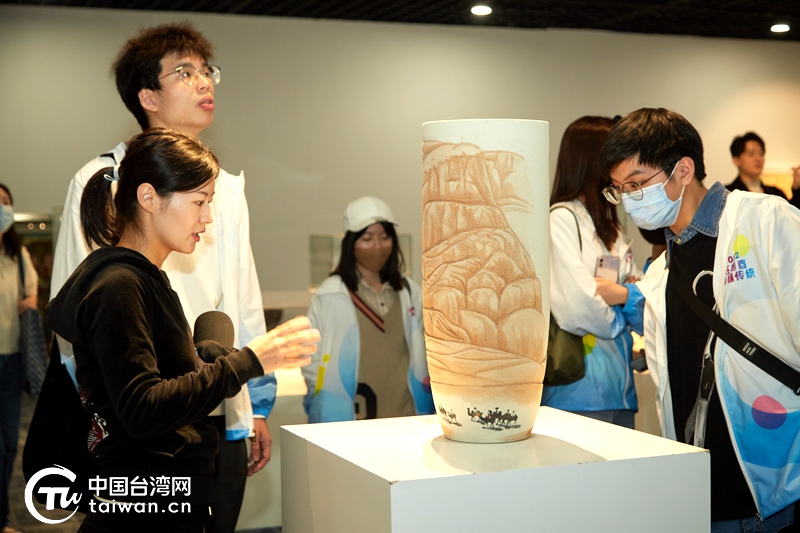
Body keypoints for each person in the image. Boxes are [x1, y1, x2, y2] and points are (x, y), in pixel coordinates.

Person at [49, 23, 272, 532]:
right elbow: (78, 318)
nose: (204, 82)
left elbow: (242, 295)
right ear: (147, 96)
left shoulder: (225, 187)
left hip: (218, 402)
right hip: (140, 422)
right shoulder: (102, 181)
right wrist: (103, 421)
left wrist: (255, 404)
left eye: (207, 71)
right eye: (185, 72)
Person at [47, 128, 318, 532]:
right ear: (148, 198)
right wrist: (249, 361)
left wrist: (202, 360)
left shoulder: (147, 279)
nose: (208, 218)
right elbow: (142, 409)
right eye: (199, 202)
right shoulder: (119, 286)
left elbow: (158, 390)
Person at [600, 107, 800, 532]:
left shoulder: (764, 221)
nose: (629, 201)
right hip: (702, 492)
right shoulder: (660, 273)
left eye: (637, 184)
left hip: (780, 484)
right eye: (619, 190)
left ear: (684, 170)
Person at [542, 116, 644, 429]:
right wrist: (623, 309)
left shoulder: (611, 227)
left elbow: (642, 296)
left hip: (621, 389)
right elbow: (578, 306)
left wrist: (621, 295)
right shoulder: (561, 219)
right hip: (577, 391)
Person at [302, 196, 434, 422]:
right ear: (350, 243)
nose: (378, 247)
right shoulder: (331, 295)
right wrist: (323, 396)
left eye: (385, 237)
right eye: (367, 238)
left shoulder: (409, 292)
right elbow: (311, 356)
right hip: (350, 418)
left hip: (406, 415)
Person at [0, 184, 38, 533]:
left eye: (6, 202)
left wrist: (27, 302)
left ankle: (1, 517)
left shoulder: (17, 254)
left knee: (10, 444)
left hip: (11, 361)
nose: (3, 208)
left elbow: (33, 294)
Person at [727, 132, 800, 209]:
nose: (758, 158)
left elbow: (792, 213)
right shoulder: (728, 194)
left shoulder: (775, 193)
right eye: (751, 154)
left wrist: (796, 188)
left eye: (761, 153)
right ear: (736, 160)